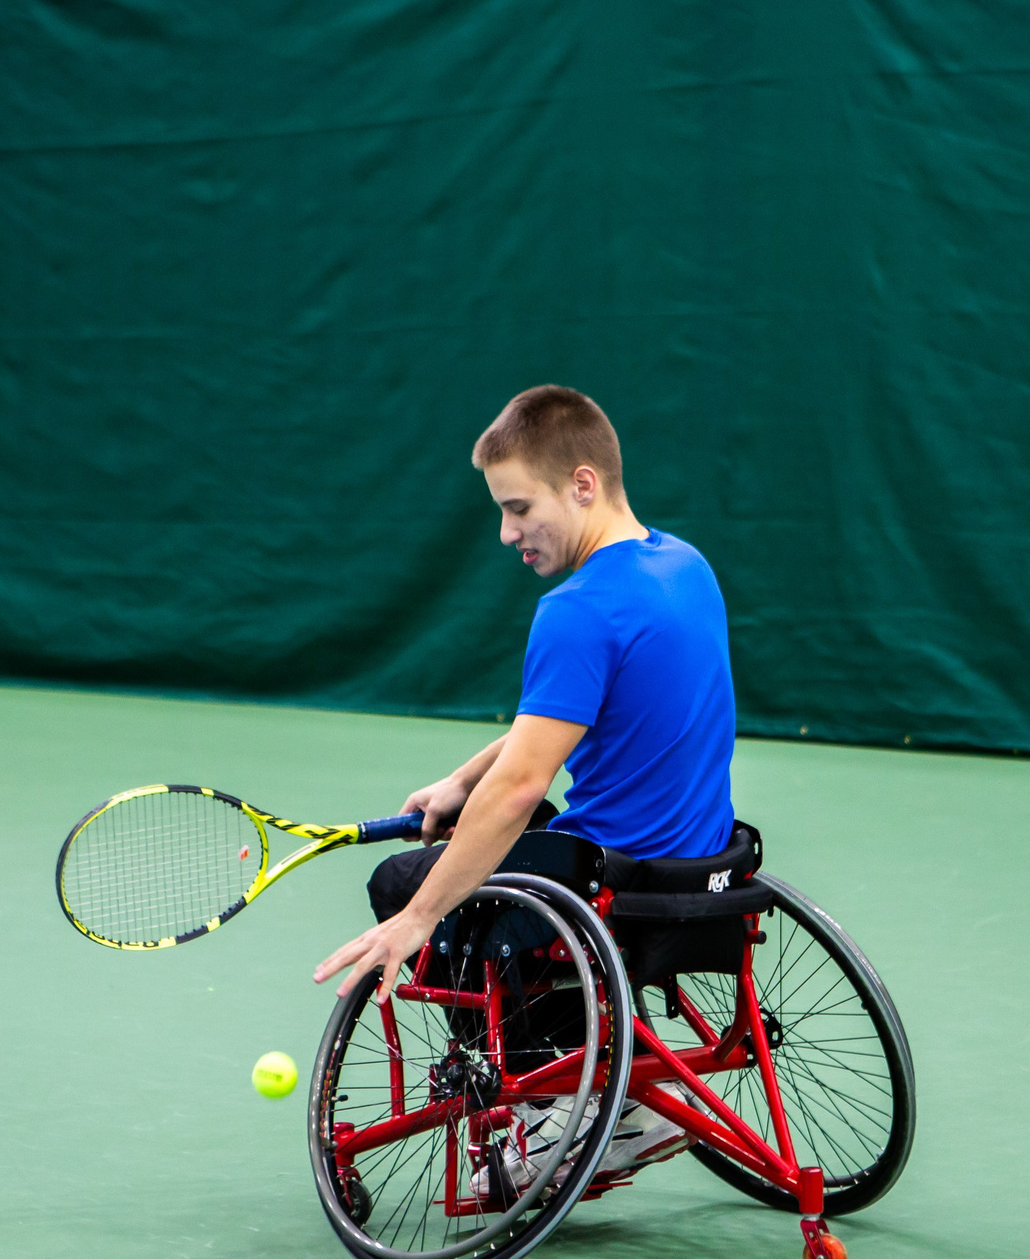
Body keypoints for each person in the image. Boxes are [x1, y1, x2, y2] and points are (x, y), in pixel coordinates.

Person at [313, 383, 737, 1179]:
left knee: (401, 878)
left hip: (614, 889)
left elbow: (515, 796)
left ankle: (562, 1110)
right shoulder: (685, 567)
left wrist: (417, 913)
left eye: (518, 508)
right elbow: (561, 724)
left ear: (582, 483)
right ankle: (603, 1083)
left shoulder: (576, 610)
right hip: (704, 872)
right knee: (523, 817)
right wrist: (458, 780)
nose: (507, 533)